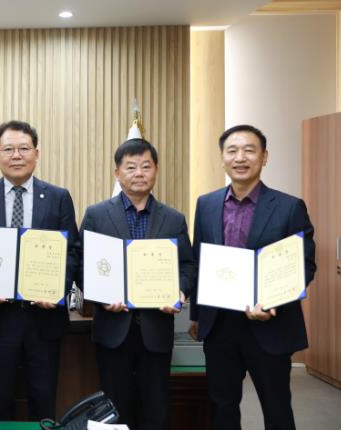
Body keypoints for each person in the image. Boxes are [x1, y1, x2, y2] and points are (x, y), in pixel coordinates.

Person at [190, 124, 316, 430]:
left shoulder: (289, 207)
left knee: (276, 410)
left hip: (269, 324)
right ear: (222, 157)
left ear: (264, 157)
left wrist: (272, 302)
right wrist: (196, 316)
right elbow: (199, 260)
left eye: (249, 150)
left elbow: (304, 265)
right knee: (222, 408)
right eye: (232, 151)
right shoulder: (206, 204)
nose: (240, 157)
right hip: (220, 325)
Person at [0, 120, 80, 423]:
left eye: (24, 148)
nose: (16, 155)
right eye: (8, 149)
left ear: (36, 153)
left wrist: (57, 289)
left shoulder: (58, 197)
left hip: (43, 317)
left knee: (43, 400)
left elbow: (72, 251)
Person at [79, 138, 196, 430]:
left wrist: (180, 291)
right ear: (117, 173)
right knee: (115, 410)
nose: (139, 173)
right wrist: (100, 295)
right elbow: (81, 265)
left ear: (156, 170)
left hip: (156, 330)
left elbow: (187, 266)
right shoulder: (96, 215)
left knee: (156, 409)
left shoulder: (173, 219)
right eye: (131, 167)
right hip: (112, 329)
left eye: (146, 166)